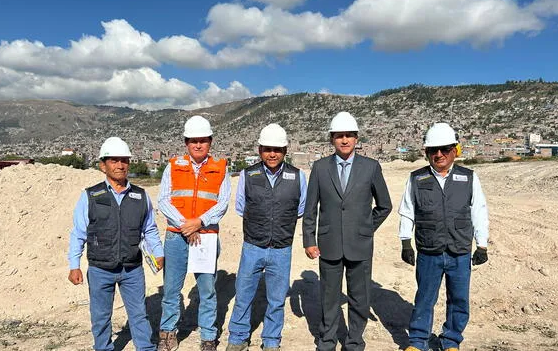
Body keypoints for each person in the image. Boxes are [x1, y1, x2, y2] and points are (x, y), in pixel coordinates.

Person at [302, 111, 393, 351]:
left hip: (360, 245)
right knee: (329, 298)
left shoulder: (371, 167)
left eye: (349, 136)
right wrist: (309, 240)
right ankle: (327, 341)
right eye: (339, 136)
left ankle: (354, 342)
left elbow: (384, 206)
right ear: (332, 139)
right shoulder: (320, 168)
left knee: (359, 298)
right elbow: (310, 208)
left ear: (356, 138)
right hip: (328, 244)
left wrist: (366, 228)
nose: (344, 140)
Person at [67, 136, 164, 351]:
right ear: (103, 165)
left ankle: (145, 348)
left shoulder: (141, 195)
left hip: (132, 269)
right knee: (100, 317)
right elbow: (78, 233)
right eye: (114, 160)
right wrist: (74, 264)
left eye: (124, 160)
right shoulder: (90, 196)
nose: (120, 165)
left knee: (139, 314)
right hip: (100, 268)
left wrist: (158, 252)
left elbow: (149, 229)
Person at [399, 123, 489, 351]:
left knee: (459, 300)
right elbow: (407, 211)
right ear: (426, 152)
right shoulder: (416, 179)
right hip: (429, 251)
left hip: (459, 251)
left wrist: (482, 245)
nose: (439, 155)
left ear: (454, 150)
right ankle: (418, 342)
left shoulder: (469, 177)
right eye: (433, 150)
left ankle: (451, 341)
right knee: (424, 299)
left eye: (445, 149)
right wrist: (405, 243)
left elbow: (479, 210)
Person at [226, 124, 308, 351]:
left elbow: (300, 209)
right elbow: (242, 207)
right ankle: (238, 338)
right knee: (243, 294)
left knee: (276, 299)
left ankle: (271, 341)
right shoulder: (247, 175)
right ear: (260, 149)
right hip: (253, 245)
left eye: (278, 149)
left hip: (282, 248)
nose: (273, 154)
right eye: (268, 149)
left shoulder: (298, 177)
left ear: (285, 151)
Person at [157, 115, 231, 351]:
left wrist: (198, 222)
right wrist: (184, 225)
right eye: (193, 140)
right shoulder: (173, 166)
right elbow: (163, 200)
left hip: (206, 237)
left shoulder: (220, 168)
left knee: (207, 290)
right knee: (171, 289)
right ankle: (168, 333)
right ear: (186, 142)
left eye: (203, 140)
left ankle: (208, 337)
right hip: (176, 236)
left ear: (210, 141)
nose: (198, 145)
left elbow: (222, 203)